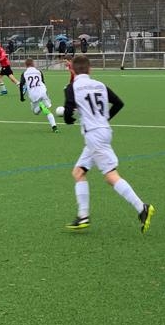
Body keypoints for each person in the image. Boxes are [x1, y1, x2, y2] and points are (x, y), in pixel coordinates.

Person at [63, 55, 154, 232]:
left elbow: (68, 112)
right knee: (78, 172)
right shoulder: (100, 85)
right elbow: (118, 103)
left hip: (94, 136)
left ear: (72, 70)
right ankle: (83, 216)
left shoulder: (71, 87)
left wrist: (68, 119)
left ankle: (142, 207)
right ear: (90, 69)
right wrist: (104, 119)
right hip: (103, 132)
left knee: (110, 176)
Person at [21, 58, 58, 133]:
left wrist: (21, 96)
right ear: (33, 64)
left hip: (33, 94)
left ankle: (41, 106)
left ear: (25, 65)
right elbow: (43, 82)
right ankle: (54, 126)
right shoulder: (39, 72)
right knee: (47, 111)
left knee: (35, 112)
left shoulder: (24, 73)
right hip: (43, 91)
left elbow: (21, 85)